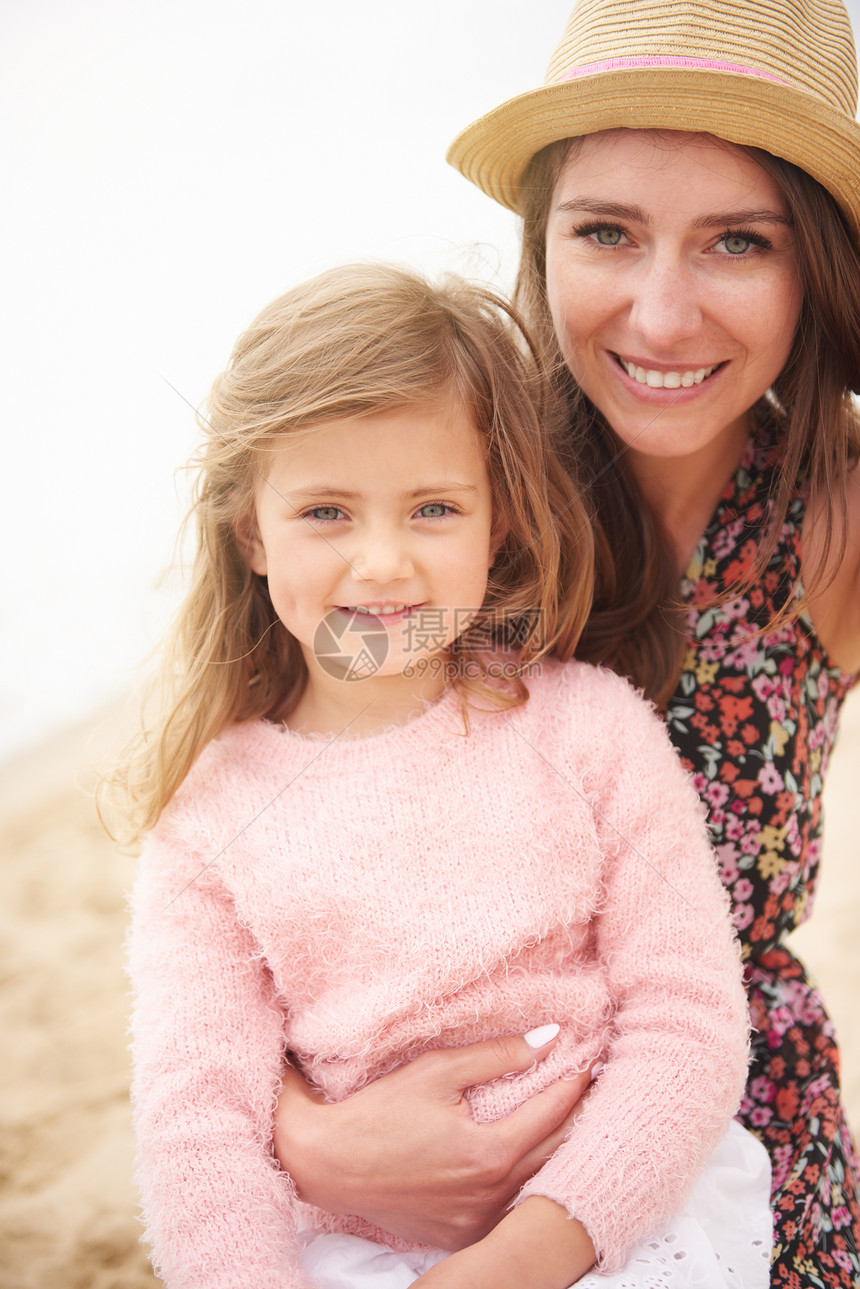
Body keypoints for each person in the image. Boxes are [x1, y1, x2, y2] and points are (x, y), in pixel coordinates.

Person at [270, 1, 860, 1286]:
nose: (658, 315)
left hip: (730, 1160)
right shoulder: (434, 487)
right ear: (539, 244)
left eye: (737, 242)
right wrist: (305, 1138)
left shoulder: (832, 517)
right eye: (606, 232)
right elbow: (250, 855)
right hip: (399, 1172)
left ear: (814, 263)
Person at [122, 263, 768, 1289]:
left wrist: (522, 1256)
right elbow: (197, 1122)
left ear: (496, 518)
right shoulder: (207, 821)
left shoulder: (589, 730)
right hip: (348, 1251)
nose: (381, 563)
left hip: (610, 1225)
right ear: (250, 528)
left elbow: (686, 1021)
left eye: (431, 508)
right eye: (325, 512)